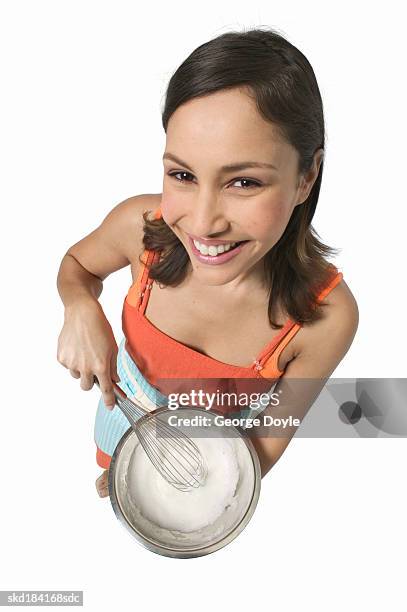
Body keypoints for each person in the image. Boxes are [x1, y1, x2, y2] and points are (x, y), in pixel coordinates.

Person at [56, 27, 359, 498]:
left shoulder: (327, 318)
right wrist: (78, 306)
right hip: (120, 421)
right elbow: (78, 265)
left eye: (243, 183)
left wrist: (172, 497)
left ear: (306, 178)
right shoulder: (138, 229)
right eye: (182, 175)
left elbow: (257, 452)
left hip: (205, 467)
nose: (202, 222)